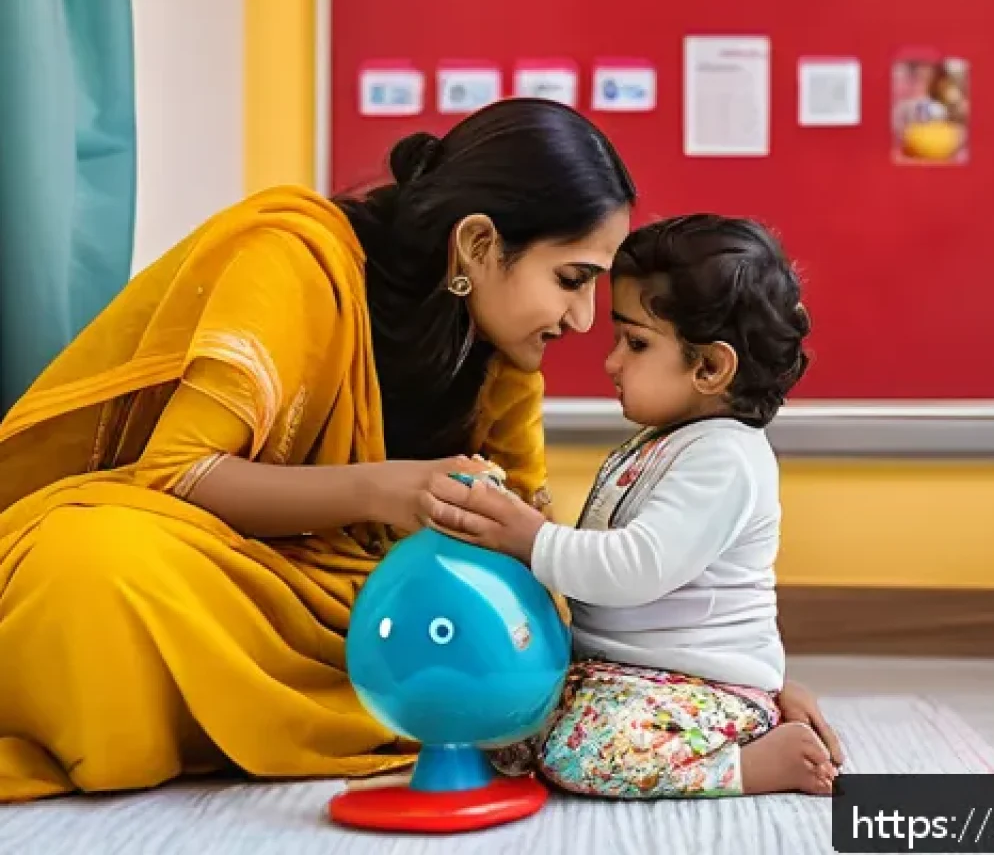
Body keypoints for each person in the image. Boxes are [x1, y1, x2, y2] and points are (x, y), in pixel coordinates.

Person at [0, 100, 837, 803]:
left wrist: (729, 694)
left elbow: (534, 561)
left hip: (373, 598)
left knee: (503, 636)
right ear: (479, 247)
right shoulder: (294, 261)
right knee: (86, 563)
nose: (585, 324)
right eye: (573, 279)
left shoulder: (508, 351)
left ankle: (277, 706)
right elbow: (179, 474)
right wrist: (384, 491)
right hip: (218, 573)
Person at [426, 214, 844, 798]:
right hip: (616, 673)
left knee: (580, 755)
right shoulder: (660, 442)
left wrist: (531, 538)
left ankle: (753, 763)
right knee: (497, 724)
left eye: (637, 342)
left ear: (709, 366)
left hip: (698, 684)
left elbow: (634, 569)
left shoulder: (726, 457)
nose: (612, 362)